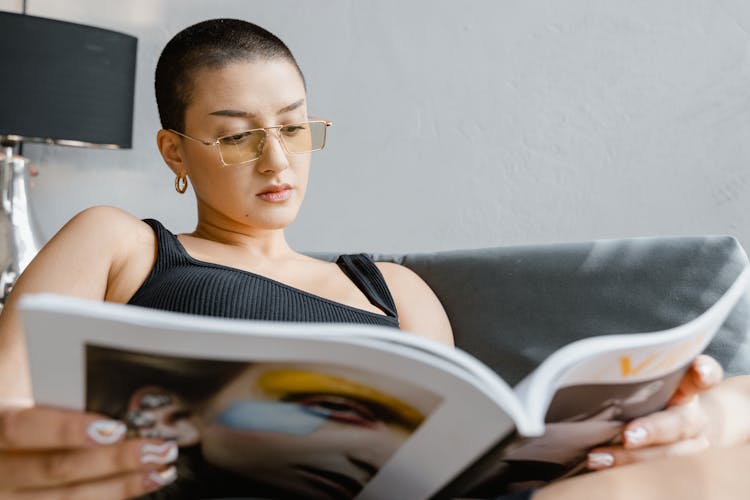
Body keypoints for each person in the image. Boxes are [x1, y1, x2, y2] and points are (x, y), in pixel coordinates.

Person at [0, 17, 749, 499]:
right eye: (236, 135)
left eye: (293, 128)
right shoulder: (119, 243)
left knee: (721, 444)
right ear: (176, 150)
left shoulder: (394, 287)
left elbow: (458, 460)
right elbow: (7, 409)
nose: (275, 159)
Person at [86, 345, 441, 499]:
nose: (385, 459)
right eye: (333, 407)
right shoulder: (120, 238)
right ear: (170, 416)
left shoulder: (398, 285)